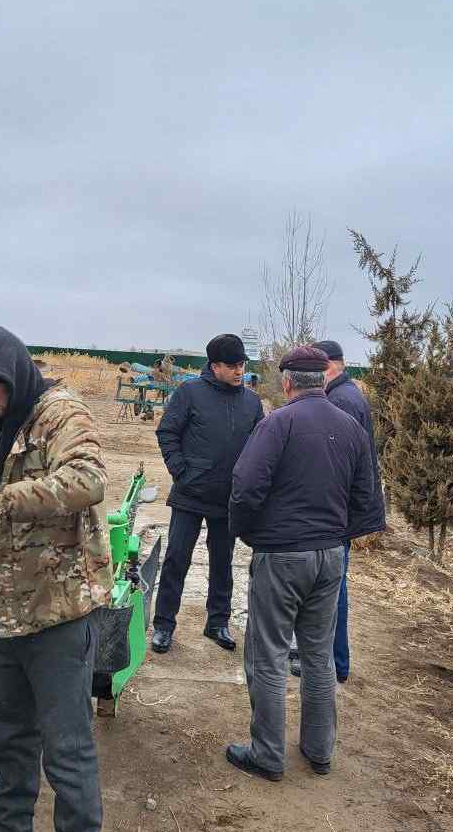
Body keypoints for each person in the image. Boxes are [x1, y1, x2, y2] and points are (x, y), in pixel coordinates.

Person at [0, 324, 113, 832]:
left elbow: (88, 479)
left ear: (12, 373)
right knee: (8, 729)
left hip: (59, 610)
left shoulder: (62, 414)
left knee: (66, 747)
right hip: (10, 609)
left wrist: (1, 503)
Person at [225, 346, 375, 781]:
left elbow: (245, 487)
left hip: (283, 555)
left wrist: (249, 534)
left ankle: (267, 754)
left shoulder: (278, 423)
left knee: (268, 653)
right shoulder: (350, 427)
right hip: (330, 557)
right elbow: (365, 495)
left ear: (288, 381)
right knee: (318, 654)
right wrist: (336, 535)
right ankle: (319, 750)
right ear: (323, 379)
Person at [151, 333, 264, 653]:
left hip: (228, 497)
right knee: (176, 559)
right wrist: (181, 471)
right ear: (214, 366)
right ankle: (163, 624)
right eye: (233, 366)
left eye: (242, 365)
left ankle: (218, 622)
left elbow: (261, 446)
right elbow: (167, 432)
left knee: (223, 561)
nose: (240, 371)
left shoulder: (252, 403)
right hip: (190, 494)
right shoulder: (190, 393)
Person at [286, 339, 386, 682]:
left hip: (335, 515)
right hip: (339, 511)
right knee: (331, 586)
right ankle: (330, 659)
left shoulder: (341, 401)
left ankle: (332, 661)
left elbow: (337, 463)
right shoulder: (348, 394)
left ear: (327, 366)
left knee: (331, 590)